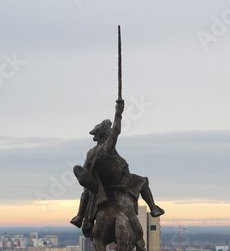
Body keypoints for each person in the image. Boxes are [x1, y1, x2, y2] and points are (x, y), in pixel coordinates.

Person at [70, 99, 164, 237]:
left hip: (101, 187)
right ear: (105, 134)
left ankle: (79, 216)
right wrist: (118, 113)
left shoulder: (91, 153)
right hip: (120, 182)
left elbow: (86, 175)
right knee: (143, 181)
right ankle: (154, 208)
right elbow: (117, 131)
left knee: (86, 192)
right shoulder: (107, 148)